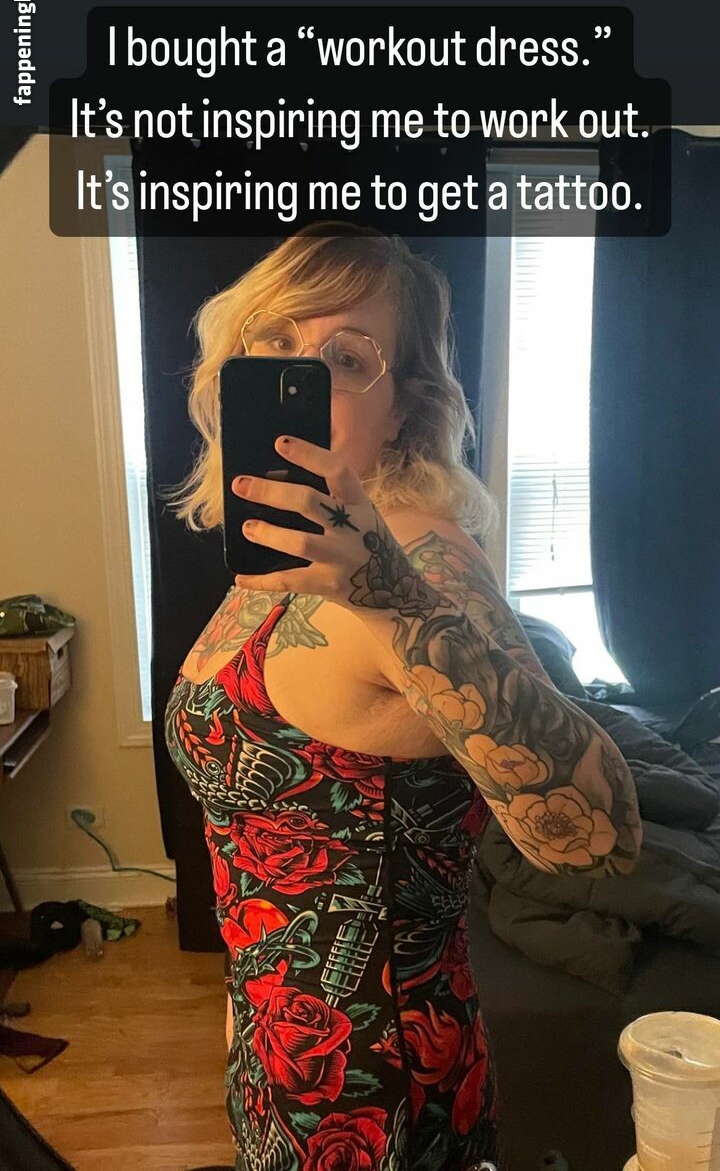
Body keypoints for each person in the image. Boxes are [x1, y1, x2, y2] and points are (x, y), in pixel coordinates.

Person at [164, 222, 642, 1171]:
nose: (300, 372)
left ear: (405, 407)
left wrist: (386, 595)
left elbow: (597, 836)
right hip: (278, 1054)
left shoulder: (420, 554)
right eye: (275, 339)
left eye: (347, 358)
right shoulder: (281, 546)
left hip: (382, 1089)